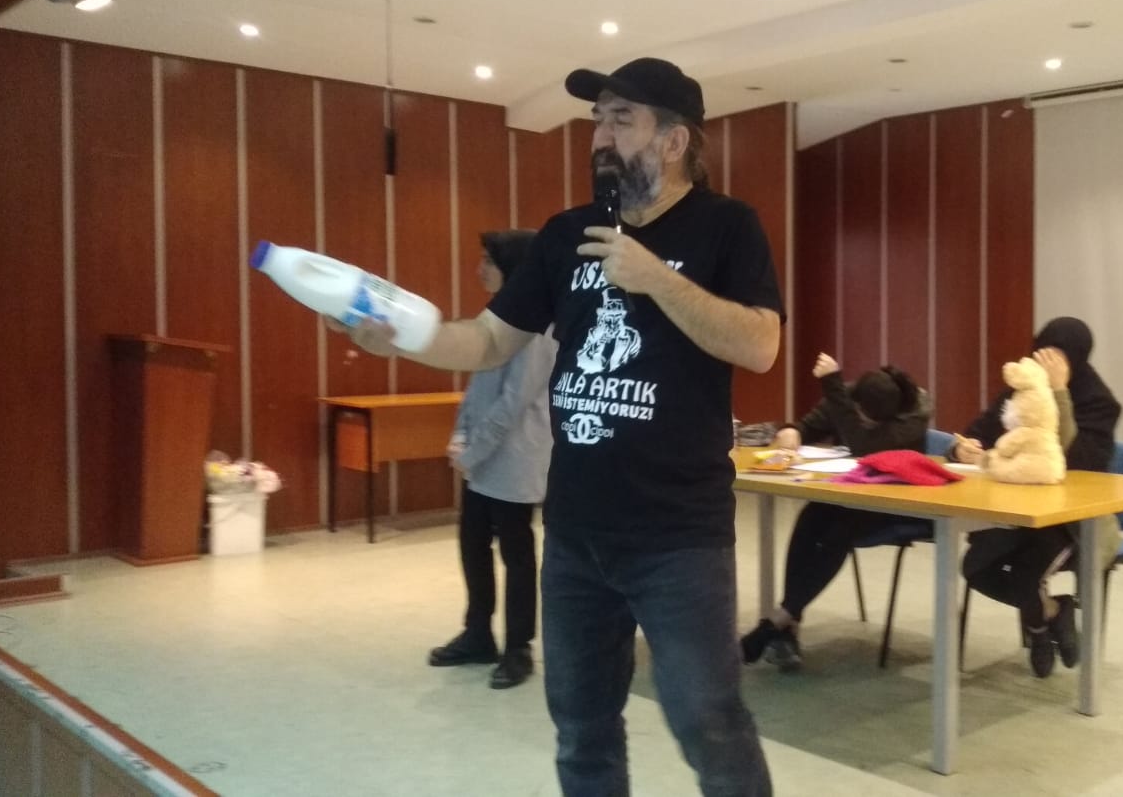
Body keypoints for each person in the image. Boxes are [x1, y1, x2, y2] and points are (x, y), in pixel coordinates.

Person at [336, 58, 780, 796]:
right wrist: (403, 339)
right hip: (575, 535)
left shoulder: (727, 226)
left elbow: (761, 344)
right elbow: (488, 340)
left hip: (679, 537)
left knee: (710, 724)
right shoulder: (565, 234)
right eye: (597, 119)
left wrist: (657, 279)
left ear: (674, 141)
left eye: (621, 120)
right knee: (580, 728)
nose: (600, 136)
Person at [738, 353, 932, 671]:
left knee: (839, 532)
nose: (865, 422)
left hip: (901, 504)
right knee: (811, 518)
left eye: (873, 421)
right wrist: (794, 431)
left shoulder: (915, 412)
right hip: (851, 494)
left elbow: (864, 444)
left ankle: (778, 622)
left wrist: (832, 385)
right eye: (862, 416)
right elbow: (812, 425)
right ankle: (786, 624)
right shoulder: (849, 395)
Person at [952, 318, 1121, 677]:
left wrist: (1059, 393)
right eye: (1042, 354)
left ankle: (1037, 632)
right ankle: (1051, 612)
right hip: (1014, 513)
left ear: (1076, 360)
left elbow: (1076, 462)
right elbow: (980, 431)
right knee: (975, 569)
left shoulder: (1099, 403)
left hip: (1071, 521)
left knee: (1027, 572)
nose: (1046, 365)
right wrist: (965, 448)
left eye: (1058, 358)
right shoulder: (1022, 388)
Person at [427, 229, 555, 690]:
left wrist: (473, 450)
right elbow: (478, 388)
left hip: (515, 458)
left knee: (517, 554)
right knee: (473, 543)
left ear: (513, 269)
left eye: (488, 261)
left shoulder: (537, 328)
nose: (479, 268)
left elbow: (513, 402)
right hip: (482, 457)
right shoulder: (497, 320)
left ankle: (519, 647)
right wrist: (460, 437)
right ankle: (478, 632)